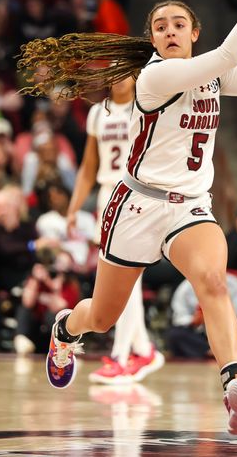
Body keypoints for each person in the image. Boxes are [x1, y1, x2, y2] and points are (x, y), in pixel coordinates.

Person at [18, 0, 237, 435]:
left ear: (193, 32)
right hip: (135, 205)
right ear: (153, 40)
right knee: (104, 317)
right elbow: (231, 53)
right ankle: (66, 330)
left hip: (189, 208)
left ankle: (234, 381)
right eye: (160, 26)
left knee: (213, 281)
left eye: (178, 24)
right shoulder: (155, 77)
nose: (170, 31)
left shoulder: (212, 76)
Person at [66, 75, 164, 385]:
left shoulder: (146, 105)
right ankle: (143, 350)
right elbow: (88, 166)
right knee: (121, 277)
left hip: (137, 192)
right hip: (108, 193)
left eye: (126, 73)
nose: (119, 79)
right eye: (114, 73)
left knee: (125, 274)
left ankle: (124, 355)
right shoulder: (98, 112)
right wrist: (74, 206)